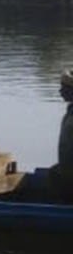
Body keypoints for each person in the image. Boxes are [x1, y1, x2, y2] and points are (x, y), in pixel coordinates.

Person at [53, 70, 73, 202]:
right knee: (53, 174)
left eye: (64, 88)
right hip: (67, 173)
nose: (60, 91)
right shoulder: (70, 112)